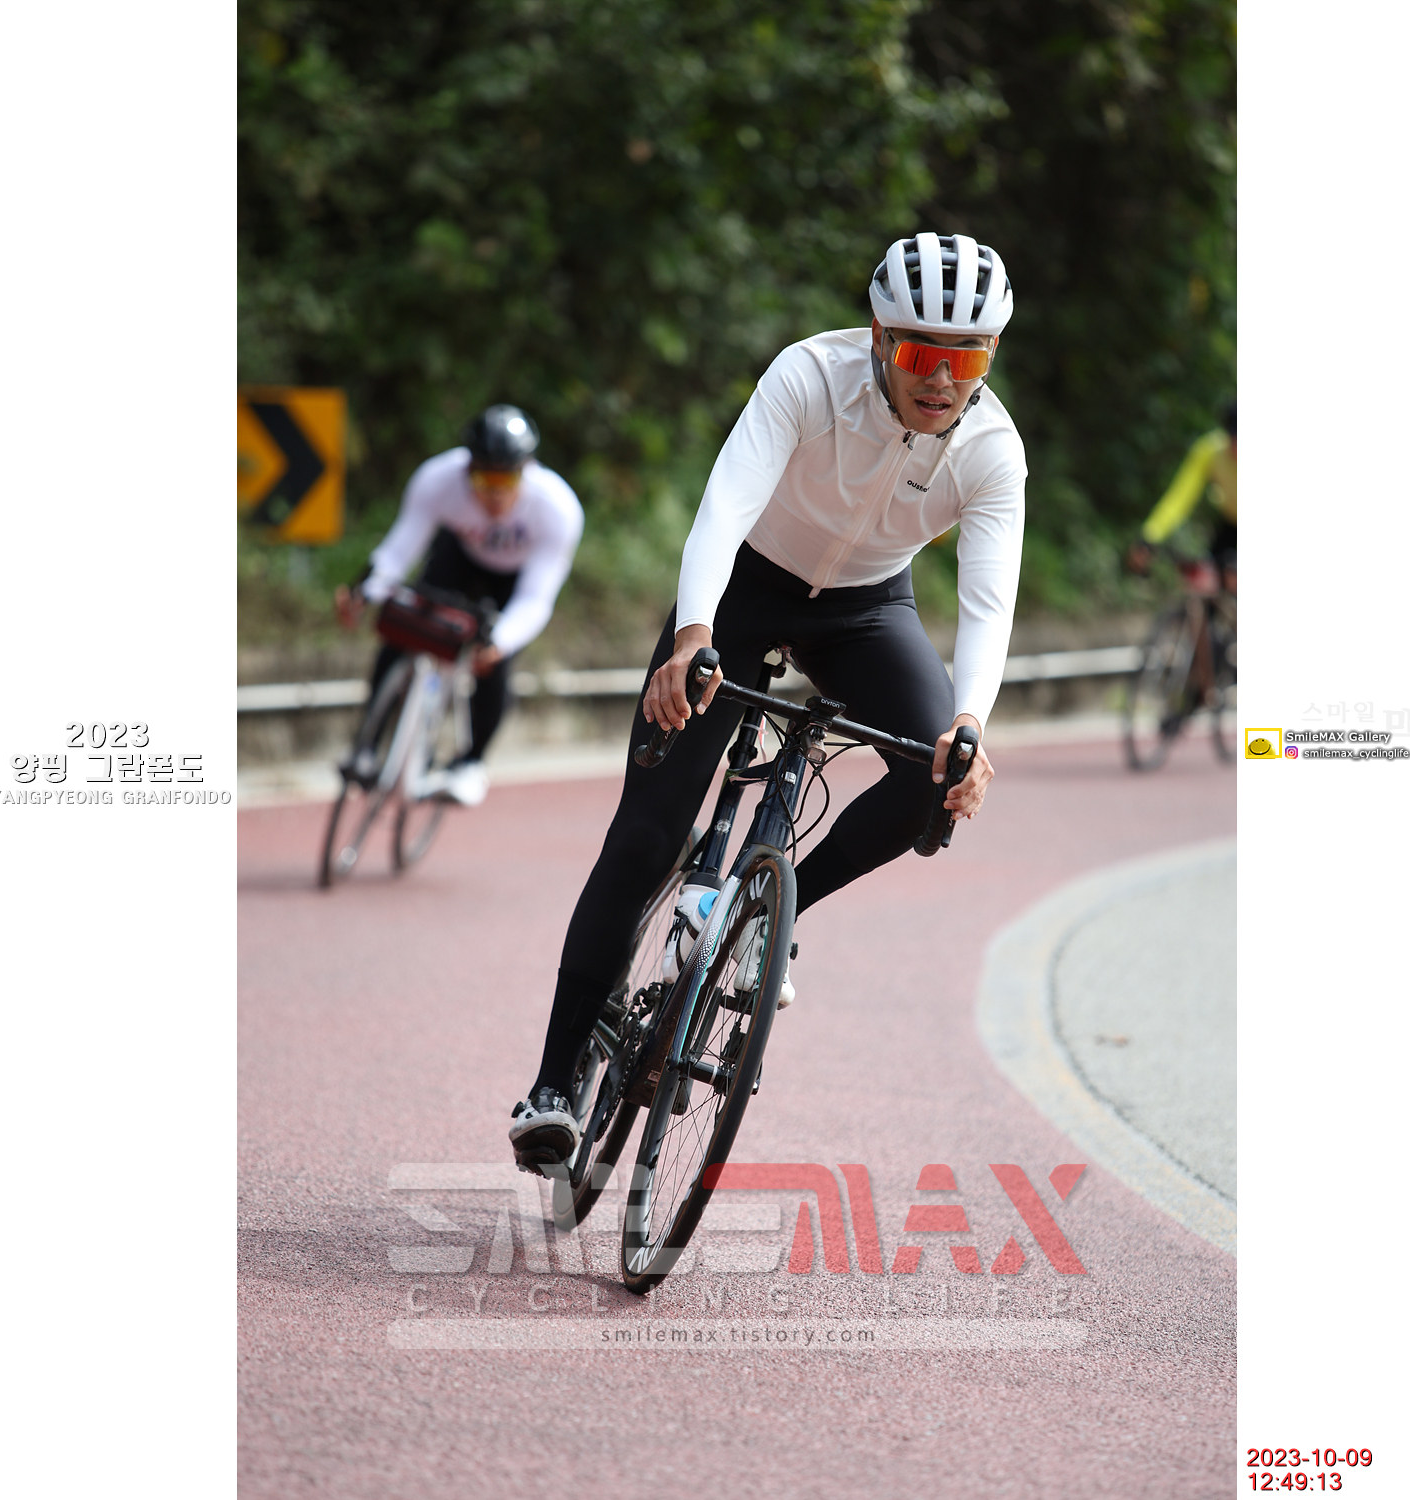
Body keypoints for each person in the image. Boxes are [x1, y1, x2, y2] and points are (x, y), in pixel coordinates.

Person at [509, 232, 1027, 1170]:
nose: (942, 381)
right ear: (881, 338)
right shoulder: (810, 376)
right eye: (922, 353)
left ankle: (767, 925)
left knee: (931, 776)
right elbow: (725, 508)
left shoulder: (992, 450)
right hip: (746, 590)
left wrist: (968, 724)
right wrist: (693, 636)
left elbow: (988, 603)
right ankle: (550, 1088)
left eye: (968, 359)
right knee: (648, 835)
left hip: (866, 611)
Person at [334, 405, 584, 805]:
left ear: (527, 470)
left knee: (495, 659)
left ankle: (470, 762)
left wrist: (499, 642)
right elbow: (400, 550)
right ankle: (366, 747)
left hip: (515, 579)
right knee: (403, 623)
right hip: (459, 555)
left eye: (506, 479)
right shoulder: (439, 479)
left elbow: (536, 599)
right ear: (468, 469)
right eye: (485, 478)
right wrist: (365, 593)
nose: (495, 493)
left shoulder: (557, 508)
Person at [1128, 401, 1236, 592]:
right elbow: (1179, 498)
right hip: (1230, 526)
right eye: (1234, 439)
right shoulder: (1211, 451)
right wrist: (1150, 537)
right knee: (1208, 584)